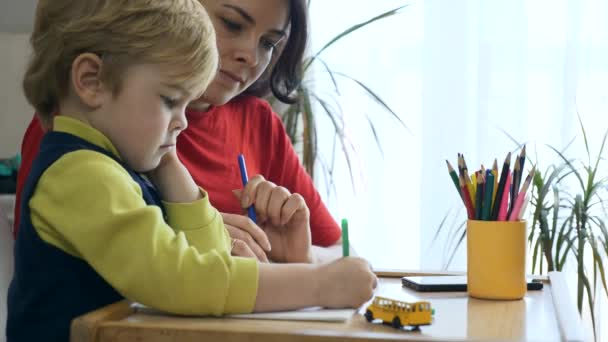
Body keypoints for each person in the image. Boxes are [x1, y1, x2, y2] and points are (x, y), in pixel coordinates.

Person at [6, 1, 377, 341]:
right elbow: (177, 278)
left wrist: (169, 166)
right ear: (91, 81)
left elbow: (209, 250)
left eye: (187, 102)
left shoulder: (119, 162)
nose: (183, 122)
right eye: (171, 101)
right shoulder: (80, 172)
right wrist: (317, 284)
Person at [14, 0, 345, 264]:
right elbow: (49, 257)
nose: (250, 55)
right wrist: (200, 239)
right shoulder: (86, 119)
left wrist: (299, 256)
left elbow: (341, 251)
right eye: (232, 23)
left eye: (269, 43)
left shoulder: (260, 123)